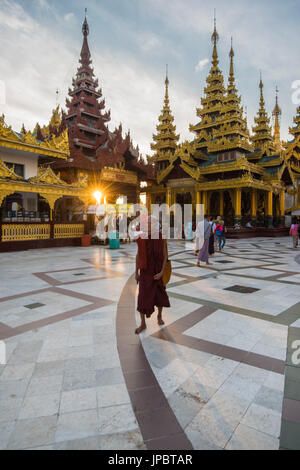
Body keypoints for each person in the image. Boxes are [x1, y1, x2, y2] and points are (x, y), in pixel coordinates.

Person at [135, 216, 170, 334]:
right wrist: (136, 272)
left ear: (156, 225)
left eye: (151, 224)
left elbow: (165, 256)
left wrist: (161, 272)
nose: (148, 226)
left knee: (160, 296)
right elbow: (138, 255)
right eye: (147, 223)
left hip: (157, 272)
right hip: (145, 272)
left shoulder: (161, 237)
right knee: (142, 298)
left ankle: (159, 316)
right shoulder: (142, 237)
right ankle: (143, 323)